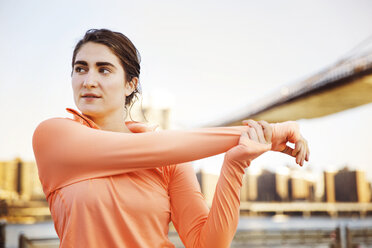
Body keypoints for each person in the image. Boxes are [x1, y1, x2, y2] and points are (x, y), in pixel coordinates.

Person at [32, 29, 309, 248]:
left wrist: (235, 164)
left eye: (104, 69)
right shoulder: (53, 137)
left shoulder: (170, 160)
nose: (89, 80)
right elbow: (146, 149)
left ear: (131, 84)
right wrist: (267, 134)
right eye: (80, 69)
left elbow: (207, 245)